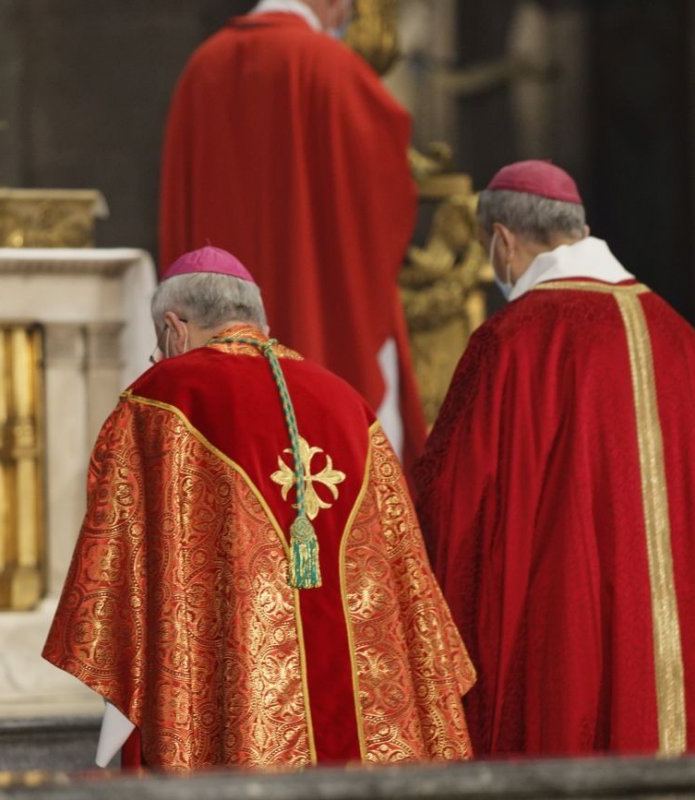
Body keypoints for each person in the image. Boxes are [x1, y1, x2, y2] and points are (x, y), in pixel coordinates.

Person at [43, 245, 474, 771]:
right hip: (368, 735)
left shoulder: (163, 398)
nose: (158, 359)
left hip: (239, 711)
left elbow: (118, 560)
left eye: (160, 345)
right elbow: (409, 576)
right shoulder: (348, 404)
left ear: (175, 329)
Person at [412, 160, 695, 756]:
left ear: (503, 241)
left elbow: (450, 502)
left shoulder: (512, 341)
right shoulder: (680, 339)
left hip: (568, 634)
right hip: (687, 641)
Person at [159, 0, 427, 463]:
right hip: (319, 321)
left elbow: (177, 202)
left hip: (214, 343)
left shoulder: (203, 66)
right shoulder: (333, 66)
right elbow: (384, 198)